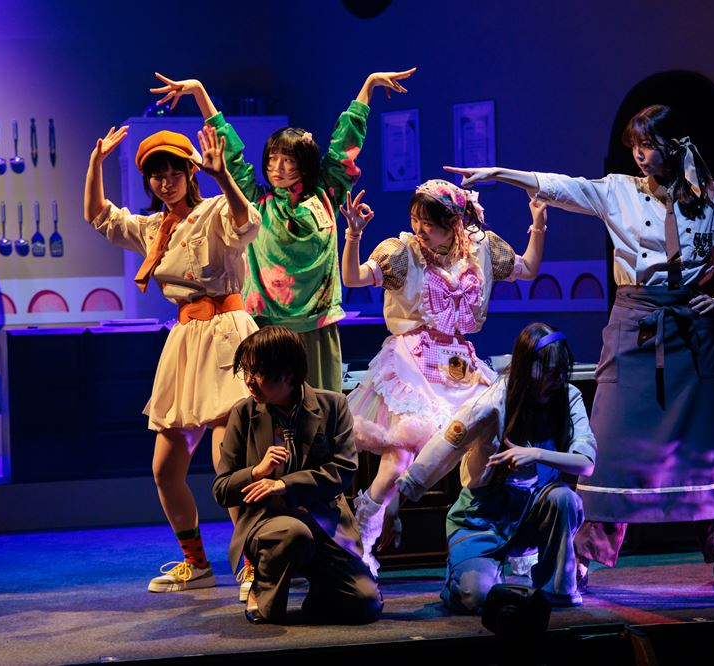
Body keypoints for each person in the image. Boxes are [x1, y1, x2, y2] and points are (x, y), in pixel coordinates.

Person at [444, 104, 714, 586]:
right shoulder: (619, 191)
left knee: (705, 448)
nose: (639, 155)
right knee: (612, 449)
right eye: (634, 146)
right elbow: (561, 186)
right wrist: (500, 174)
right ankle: (581, 562)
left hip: (689, 333)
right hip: (634, 328)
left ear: (674, 146)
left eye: (648, 146)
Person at [150, 69, 415, 392]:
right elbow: (229, 154)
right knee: (269, 403)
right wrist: (199, 93)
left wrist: (368, 85)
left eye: (287, 160)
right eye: (272, 159)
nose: (277, 167)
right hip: (267, 324)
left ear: (304, 161)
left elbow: (345, 144)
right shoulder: (256, 201)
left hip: (318, 322)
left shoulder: (326, 194)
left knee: (321, 406)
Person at [84, 123, 260, 593]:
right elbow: (99, 216)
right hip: (184, 344)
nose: (165, 181)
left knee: (228, 461)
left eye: (174, 172)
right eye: (156, 174)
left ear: (190, 173)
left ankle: (252, 566)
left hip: (226, 338)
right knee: (164, 469)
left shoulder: (214, 210)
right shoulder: (152, 229)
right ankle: (196, 563)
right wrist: (96, 163)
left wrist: (223, 176)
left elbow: (247, 224)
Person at [340, 180, 547, 575]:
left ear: (453, 223)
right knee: (399, 458)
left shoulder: (481, 248)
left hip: (458, 362)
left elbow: (528, 268)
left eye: (429, 223)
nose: (420, 230)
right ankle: (361, 544)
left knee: (489, 449)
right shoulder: (402, 252)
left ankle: (495, 541)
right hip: (414, 359)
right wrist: (353, 235)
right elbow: (353, 278)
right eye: (415, 220)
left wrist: (538, 224)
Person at [396, 322, 595, 612]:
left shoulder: (569, 397)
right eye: (550, 371)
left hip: (532, 509)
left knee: (564, 499)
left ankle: (556, 589)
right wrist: (396, 501)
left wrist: (535, 454)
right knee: (478, 599)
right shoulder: (490, 403)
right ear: (527, 368)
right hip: (484, 517)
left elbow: (586, 464)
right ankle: (465, 578)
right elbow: (443, 449)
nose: (558, 380)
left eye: (562, 371)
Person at [213, 326, 382, 625]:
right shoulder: (243, 413)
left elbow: (343, 470)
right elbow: (222, 489)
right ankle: (262, 586)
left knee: (364, 603)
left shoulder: (332, 406)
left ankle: (321, 592)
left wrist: (284, 484)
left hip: (325, 520)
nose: (250, 381)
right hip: (269, 522)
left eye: (259, 372)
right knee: (293, 533)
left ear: (288, 374)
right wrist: (256, 472)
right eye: (246, 371)